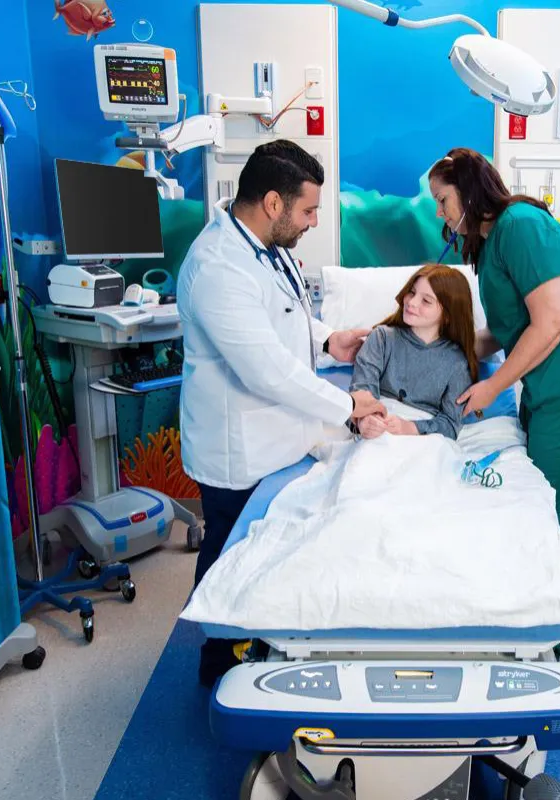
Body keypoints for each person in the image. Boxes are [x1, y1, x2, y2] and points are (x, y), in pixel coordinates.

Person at [177, 139, 386, 686]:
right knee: (229, 553)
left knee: (264, 555)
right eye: (308, 210)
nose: (314, 221)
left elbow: (286, 322)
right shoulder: (219, 266)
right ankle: (218, 661)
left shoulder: (267, 249)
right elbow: (265, 367)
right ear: (273, 203)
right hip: (238, 446)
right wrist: (348, 405)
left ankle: (258, 646)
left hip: (276, 437)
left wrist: (330, 340)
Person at [427, 148, 560, 563]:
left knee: (549, 515)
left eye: (442, 200)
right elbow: (505, 333)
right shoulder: (491, 242)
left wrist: (492, 386)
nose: (438, 213)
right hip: (549, 387)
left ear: (466, 192)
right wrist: (437, 346)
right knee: (533, 504)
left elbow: (552, 320)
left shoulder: (521, 226)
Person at [350, 265, 478, 442]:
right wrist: (364, 421)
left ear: (448, 315)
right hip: (377, 427)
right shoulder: (381, 338)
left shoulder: (456, 363)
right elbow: (362, 394)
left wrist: (409, 428)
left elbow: (450, 424)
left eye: (426, 301)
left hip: (422, 439)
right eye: (411, 292)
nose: (411, 302)